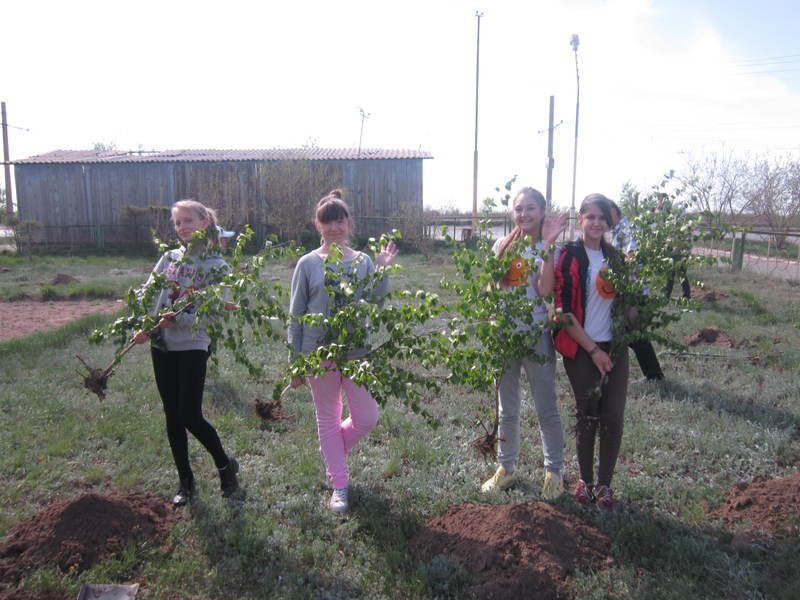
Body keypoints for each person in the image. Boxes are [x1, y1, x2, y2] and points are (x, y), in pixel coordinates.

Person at [288, 189, 398, 513]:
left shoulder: (362, 261)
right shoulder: (307, 264)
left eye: (339, 221)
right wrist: (295, 362)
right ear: (317, 225)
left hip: (355, 351)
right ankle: (339, 485)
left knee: (367, 416)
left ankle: (333, 451)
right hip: (317, 353)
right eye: (327, 222)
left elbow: (374, 301)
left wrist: (382, 269)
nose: (334, 227)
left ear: (348, 223)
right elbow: (295, 315)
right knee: (328, 418)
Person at [134, 199, 239, 507]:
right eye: (178, 223)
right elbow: (149, 293)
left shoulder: (215, 264)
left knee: (190, 413)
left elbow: (215, 312)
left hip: (193, 344)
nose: (182, 228)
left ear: (204, 223)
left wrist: (179, 318)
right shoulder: (169, 258)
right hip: (162, 344)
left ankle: (225, 466)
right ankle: (186, 480)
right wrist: (143, 324)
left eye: (188, 221)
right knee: (172, 415)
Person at [481, 187, 567, 499]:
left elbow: (545, 291)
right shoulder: (501, 245)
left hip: (536, 336)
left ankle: (554, 472)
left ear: (542, 211)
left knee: (546, 407)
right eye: (519, 208)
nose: (524, 214)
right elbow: (492, 288)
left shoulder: (547, 247)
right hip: (504, 335)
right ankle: (506, 468)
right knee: (507, 407)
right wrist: (493, 321)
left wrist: (547, 246)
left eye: (531, 208)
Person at [554, 193, 634, 511]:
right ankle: (585, 482)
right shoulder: (569, 256)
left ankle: (605, 485)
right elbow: (562, 312)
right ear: (581, 218)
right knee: (588, 414)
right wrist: (593, 350)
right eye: (591, 216)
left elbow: (628, 313)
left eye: (603, 217)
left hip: (614, 347)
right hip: (582, 347)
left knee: (612, 416)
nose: (597, 222)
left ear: (609, 222)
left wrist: (638, 288)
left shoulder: (615, 258)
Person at [608, 200, 664, 381]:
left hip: (633, 293)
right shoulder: (617, 230)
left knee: (634, 335)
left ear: (616, 211)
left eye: (608, 213)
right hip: (628, 292)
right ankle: (652, 374)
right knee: (631, 335)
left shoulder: (625, 230)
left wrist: (630, 299)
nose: (605, 218)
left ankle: (654, 376)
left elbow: (631, 257)